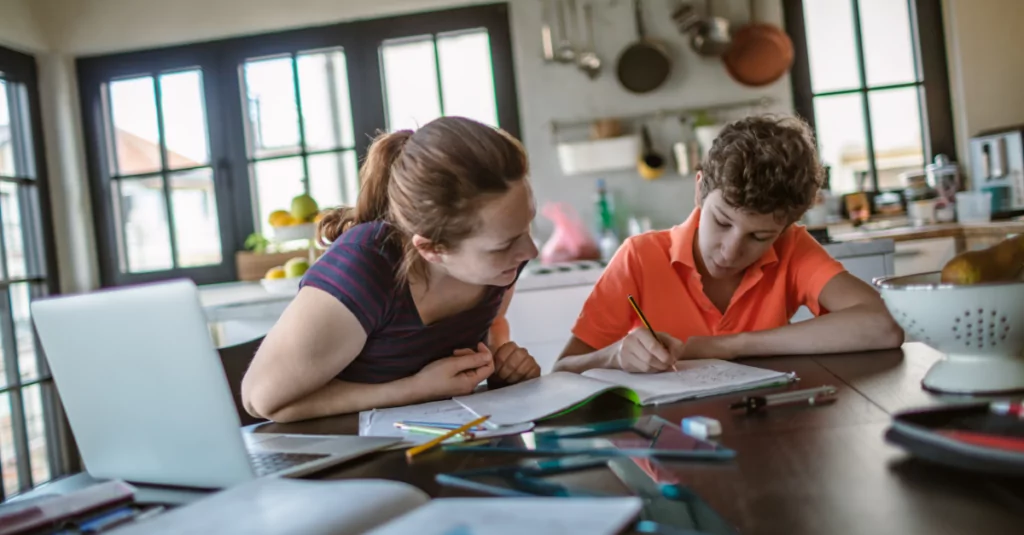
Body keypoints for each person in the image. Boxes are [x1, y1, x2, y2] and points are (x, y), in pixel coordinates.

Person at [242, 116, 541, 423]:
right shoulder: (364, 267)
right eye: (504, 244)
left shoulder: (502, 266)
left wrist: (503, 370)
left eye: (527, 225)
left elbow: (493, 328)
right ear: (432, 249)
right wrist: (414, 389)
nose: (531, 251)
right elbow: (261, 401)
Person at [554, 115, 904, 373]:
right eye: (722, 221)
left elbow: (884, 325)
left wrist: (730, 346)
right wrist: (613, 356)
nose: (730, 250)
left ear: (784, 229)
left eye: (759, 237)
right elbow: (562, 372)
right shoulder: (639, 257)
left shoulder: (792, 247)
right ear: (699, 188)